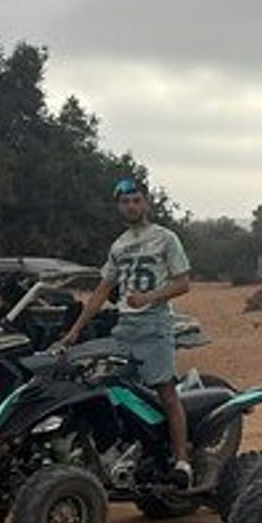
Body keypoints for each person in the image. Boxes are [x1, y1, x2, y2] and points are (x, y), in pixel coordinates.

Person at [60, 177, 195, 482]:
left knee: (166, 392)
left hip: (155, 324)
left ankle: (182, 461)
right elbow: (101, 289)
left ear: (145, 202)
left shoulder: (165, 238)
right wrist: (75, 330)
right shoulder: (119, 246)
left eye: (136, 200)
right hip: (125, 327)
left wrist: (148, 298)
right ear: (118, 206)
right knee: (113, 390)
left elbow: (183, 282)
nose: (131, 206)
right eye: (125, 202)